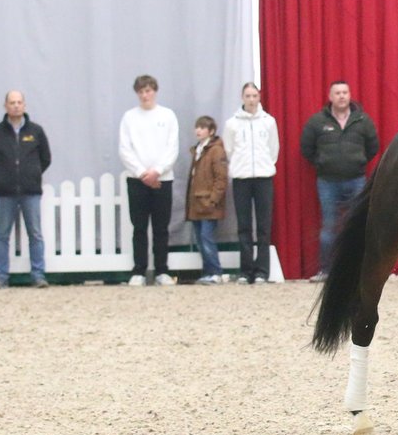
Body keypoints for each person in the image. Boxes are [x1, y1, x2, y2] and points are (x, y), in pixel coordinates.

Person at [300, 80, 380, 281]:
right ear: (330, 97)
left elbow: (373, 147)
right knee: (329, 227)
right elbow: (306, 148)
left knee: (358, 227)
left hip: (357, 181)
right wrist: (322, 163)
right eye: (337, 93)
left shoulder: (363, 120)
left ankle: (357, 272)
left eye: (345, 92)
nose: (342, 96)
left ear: (350, 95)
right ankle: (326, 271)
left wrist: (358, 162)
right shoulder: (317, 122)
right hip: (328, 182)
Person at [0, 90, 52, 289]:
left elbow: (45, 158)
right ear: (5, 106)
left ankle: (38, 275)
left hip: (31, 192)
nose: (16, 106)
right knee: (2, 235)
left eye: (19, 102)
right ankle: (1, 276)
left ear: (25, 105)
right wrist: (2, 175)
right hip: (6, 193)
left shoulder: (36, 132)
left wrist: (32, 174)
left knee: (35, 234)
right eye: (12, 102)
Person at [119, 74, 180, 287]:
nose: (145, 95)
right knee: (139, 227)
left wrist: (157, 171)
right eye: (141, 91)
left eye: (148, 90)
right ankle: (139, 270)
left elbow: (172, 148)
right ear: (137, 93)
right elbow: (125, 149)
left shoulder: (168, 115)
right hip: (137, 180)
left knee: (161, 227)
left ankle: (162, 270)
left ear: (155, 91)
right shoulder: (129, 117)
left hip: (163, 179)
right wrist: (142, 173)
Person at [223, 82, 279, 284]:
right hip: (241, 178)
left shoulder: (268, 122)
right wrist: (240, 165)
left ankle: (262, 271)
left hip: (264, 177)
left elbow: (273, 149)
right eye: (248, 96)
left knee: (264, 226)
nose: (252, 100)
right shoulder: (232, 124)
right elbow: (229, 150)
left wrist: (264, 165)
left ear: (259, 97)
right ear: (242, 98)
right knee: (244, 225)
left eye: (255, 95)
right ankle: (246, 270)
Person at [185, 116, 228, 284]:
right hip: (196, 203)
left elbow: (221, 178)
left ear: (211, 131)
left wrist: (213, 199)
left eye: (202, 128)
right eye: (197, 127)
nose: (198, 130)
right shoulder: (197, 150)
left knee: (206, 237)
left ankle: (215, 271)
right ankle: (208, 271)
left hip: (208, 203)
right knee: (201, 239)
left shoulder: (216, 151)